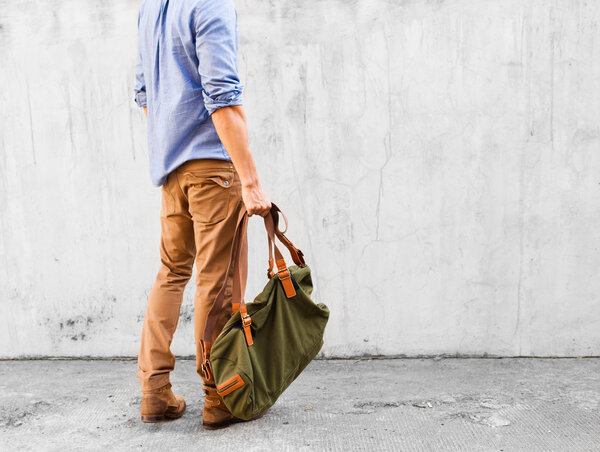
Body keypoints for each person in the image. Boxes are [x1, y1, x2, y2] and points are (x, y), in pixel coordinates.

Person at [133, 0, 271, 429]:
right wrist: (249, 180)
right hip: (213, 167)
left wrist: (172, 146)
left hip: (172, 168)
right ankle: (221, 396)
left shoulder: (151, 7)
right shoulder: (210, 4)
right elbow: (222, 96)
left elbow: (144, 94)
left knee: (171, 273)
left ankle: (154, 392)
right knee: (220, 279)